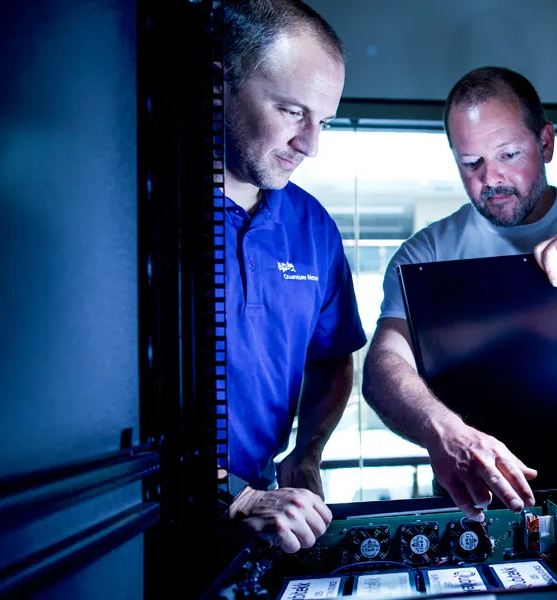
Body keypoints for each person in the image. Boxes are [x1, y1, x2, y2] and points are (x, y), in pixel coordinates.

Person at [362, 66, 557, 521]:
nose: (490, 178)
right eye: (470, 162)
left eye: (509, 154)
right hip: (472, 503)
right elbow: (383, 368)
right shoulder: (427, 252)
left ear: (546, 143)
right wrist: (446, 432)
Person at [221, 0, 366, 554]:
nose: (310, 144)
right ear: (220, 85)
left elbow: (332, 358)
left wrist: (306, 453)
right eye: (291, 111)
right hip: (138, 521)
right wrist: (233, 496)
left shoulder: (312, 227)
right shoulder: (138, 214)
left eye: (323, 120)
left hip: (265, 522)